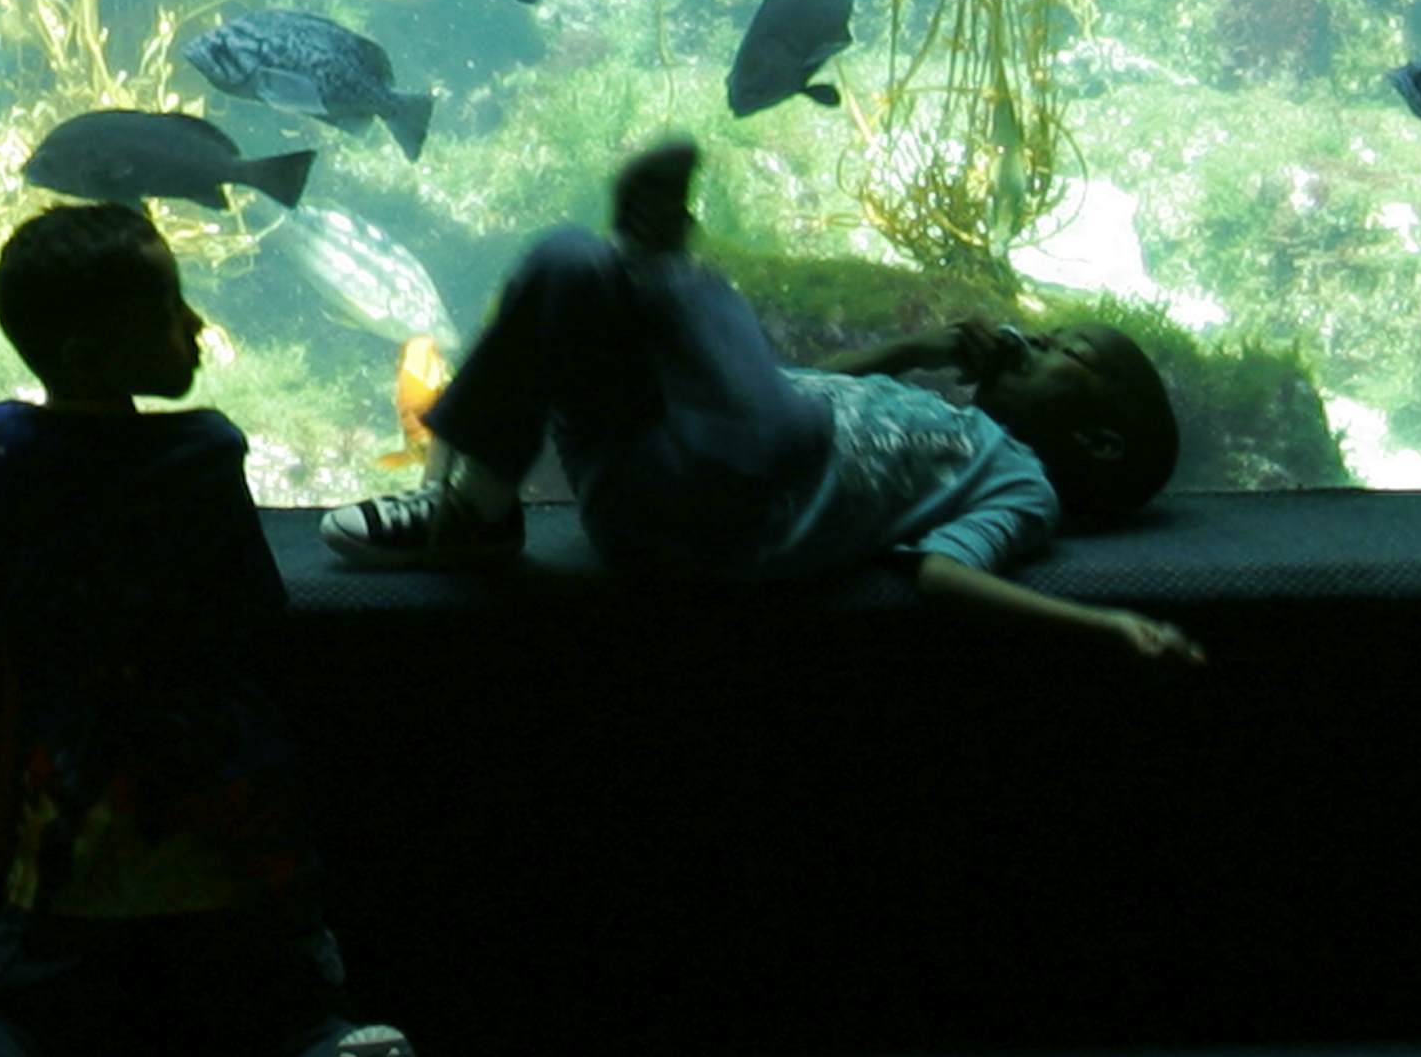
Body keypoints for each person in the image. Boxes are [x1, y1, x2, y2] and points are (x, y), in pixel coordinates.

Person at [0, 204, 479, 1057]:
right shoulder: (204, 451)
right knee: (294, 1016)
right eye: (170, 305)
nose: (195, 324)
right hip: (239, 837)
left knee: (6, 1013)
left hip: (77, 839)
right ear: (101, 346)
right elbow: (255, 615)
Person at [322, 140, 1202, 670]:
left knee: (778, 420)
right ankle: (475, 505)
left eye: (1064, 351)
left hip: (725, 523)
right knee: (562, 258)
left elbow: (943, 574)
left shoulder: (1019, 482)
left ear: (1094, 437)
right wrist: (916, 348)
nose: (1032, 340)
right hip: (656, 468)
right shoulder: (936, 407)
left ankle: (665, 269)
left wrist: (1102, 628)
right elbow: (793, 385)